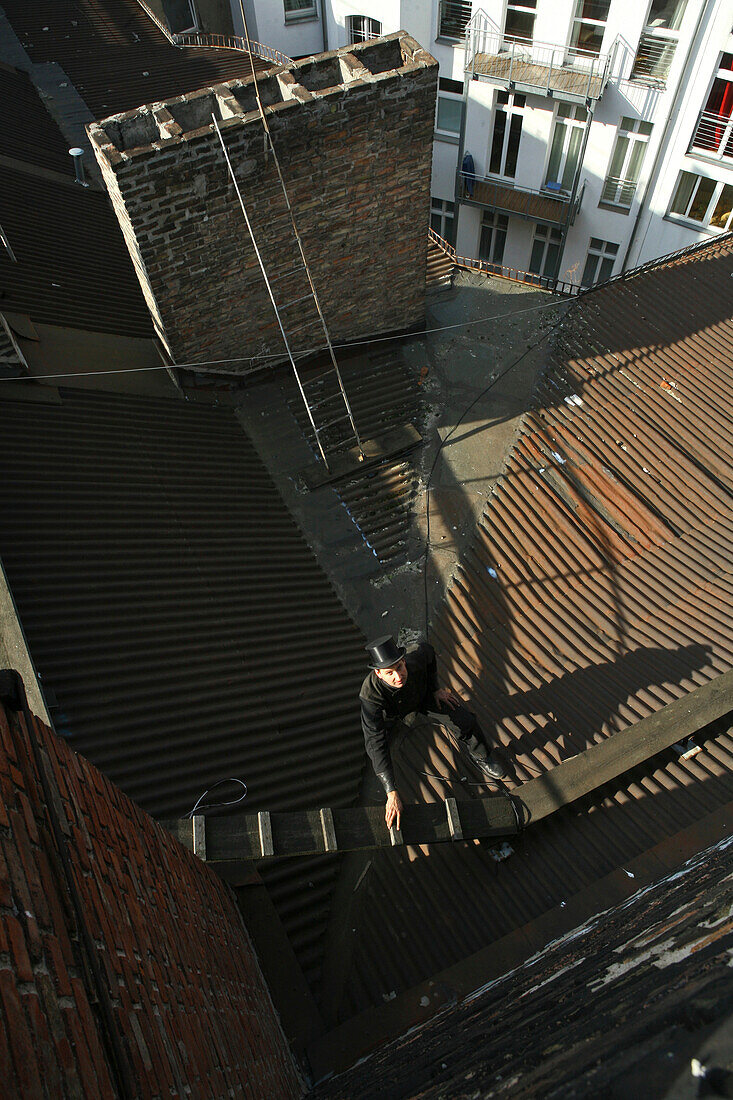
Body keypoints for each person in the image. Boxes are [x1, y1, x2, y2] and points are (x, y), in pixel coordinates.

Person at [360, 634, 506, 830]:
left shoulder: (416, 657)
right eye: (390, 673)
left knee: (464, 720)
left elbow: (428, 654)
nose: (398, 676)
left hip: (422, 696)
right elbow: (375, 742)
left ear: (404, 661)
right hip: (392, 713)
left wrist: (436, 689)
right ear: (378, 674)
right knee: (382, 745)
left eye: (399, 668)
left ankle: (482, 755)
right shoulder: (370, 697)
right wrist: (391, 791)